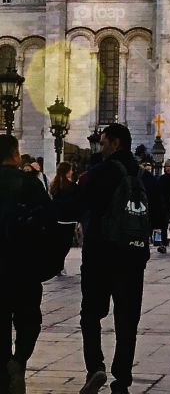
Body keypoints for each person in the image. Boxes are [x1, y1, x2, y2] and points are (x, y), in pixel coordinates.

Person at [60, 122, 152, 394]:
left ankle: (95, 367)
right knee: (127, 319)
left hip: (100, 253)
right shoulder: (144, 175)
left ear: (115, 142)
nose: (100, 146)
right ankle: (122, 378)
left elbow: (73, 207)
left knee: (91, 313)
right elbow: (155, 214)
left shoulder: (98, 173)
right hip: (133, 255)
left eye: (103, 141)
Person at [0, 133, 51, 394]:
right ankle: (18, 362)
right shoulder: (30, 184)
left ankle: (4, 370)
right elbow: (50, 223)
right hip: (24, 267)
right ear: (15, 154)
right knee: (28, 320)